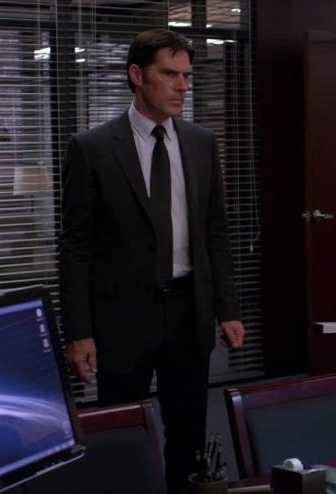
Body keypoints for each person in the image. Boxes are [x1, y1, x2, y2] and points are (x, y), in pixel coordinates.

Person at [59, 29, 246, 493]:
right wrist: (79, 332)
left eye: (187, 76)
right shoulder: (94, 147)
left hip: (188, 311)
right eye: (170, 74)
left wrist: (227, 308)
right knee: (122, 437)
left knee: (189, 434)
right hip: (123, 318)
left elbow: (215, 233)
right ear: (137, 75)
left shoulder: (201, 142)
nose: (183, 86)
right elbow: (75, 246)